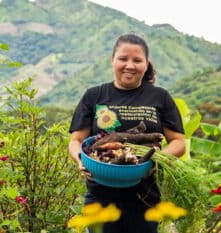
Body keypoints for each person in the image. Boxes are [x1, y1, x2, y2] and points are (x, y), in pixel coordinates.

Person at [68, 33, 185, 233]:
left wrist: (157, 158)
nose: (129, 65)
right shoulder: (94, 95)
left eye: (137, 60)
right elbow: (76, 140)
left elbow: (178, 142)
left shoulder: (160, 97)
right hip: (100, 197)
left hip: (145, 197)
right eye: (123, 59)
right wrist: (80, 160)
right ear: (112, 60)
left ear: (146, 64)